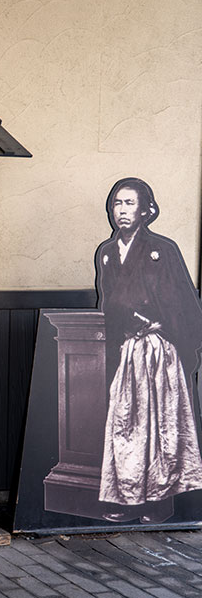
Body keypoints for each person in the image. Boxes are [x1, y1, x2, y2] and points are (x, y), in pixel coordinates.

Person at [95, 177, 202, 523]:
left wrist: (176, 341)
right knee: (127, 426)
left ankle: (161, 502)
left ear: (145, 210)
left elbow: (184, 301)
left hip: (159, 350)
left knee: (163, 427)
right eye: (117, 204)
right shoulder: (108, 253)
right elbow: (107, 304)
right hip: (127, 351)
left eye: (129, 204)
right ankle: (128, 500)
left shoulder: (163, 250)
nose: (122, 211)